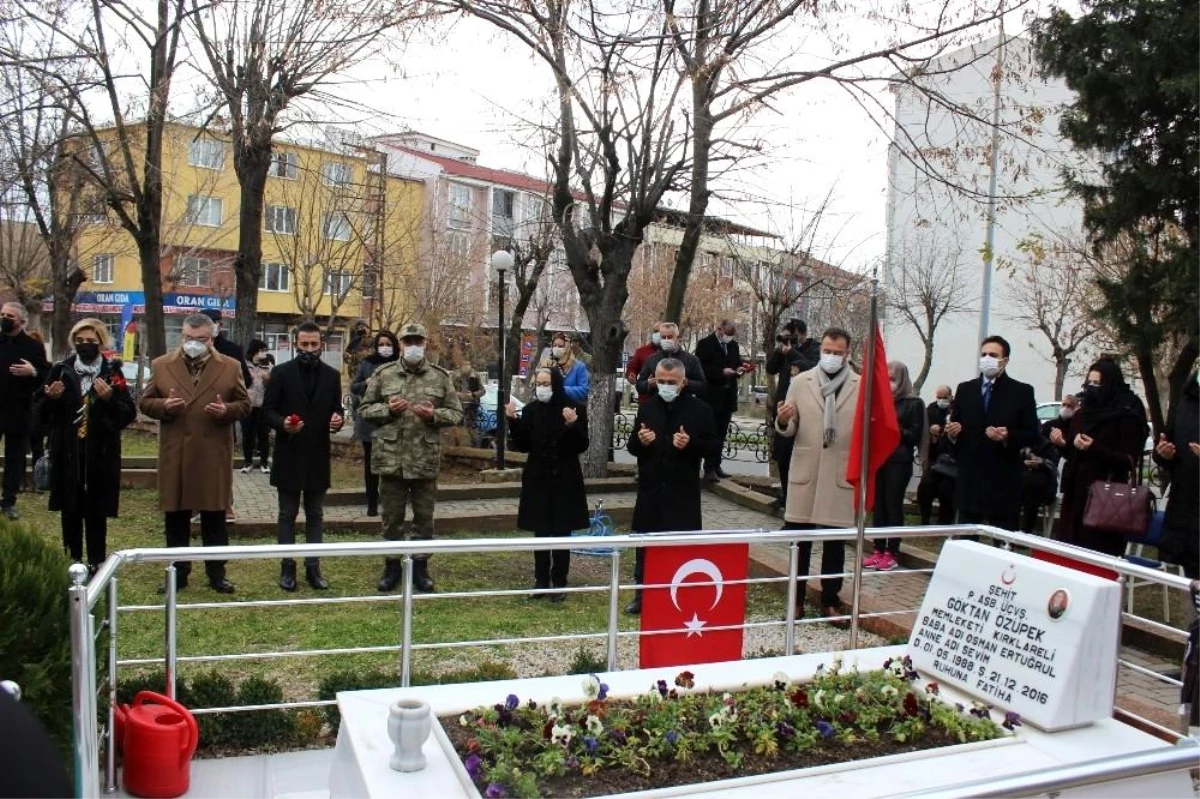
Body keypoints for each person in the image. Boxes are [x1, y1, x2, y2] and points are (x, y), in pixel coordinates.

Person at [139, 313, 251, 594]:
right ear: (182, 336)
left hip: (213, 452)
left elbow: (245, 404)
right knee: (176, 517)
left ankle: (217, 573)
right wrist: (164, 406)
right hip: (176, 452)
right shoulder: (162, 365)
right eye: (189, 338)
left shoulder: (230, 366)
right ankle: (178, 573)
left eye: (200, 339)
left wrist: (227, 411)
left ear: (211, 339)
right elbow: (145, 402)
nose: (194, 344)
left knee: (215, 517)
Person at [358, 323, 463, 593]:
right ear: (401, 345)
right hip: (391, 459)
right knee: (391, 518)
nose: (413, 345)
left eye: (418, 340)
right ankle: (392, 566)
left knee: (424, 519)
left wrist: (434, 416)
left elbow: (456, 413)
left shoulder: (440, 377)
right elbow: (365, 410)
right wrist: (388, 410)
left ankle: (420, 568)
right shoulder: (384, 374)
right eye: (408, 341)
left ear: (425, 343)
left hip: (424, 459)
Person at [35, 319, 136, 573]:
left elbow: (127, 414)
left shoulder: (112, 372)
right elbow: (38, 414)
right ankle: (72, 560)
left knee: (96, 510)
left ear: (100, 342)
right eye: (79, 341)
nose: (85, 346)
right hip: (67, 451)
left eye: (90, 341)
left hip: (100, 453)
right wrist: (51, 399)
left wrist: (109, 399)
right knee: (70, 508)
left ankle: (96, 561)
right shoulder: (61, 370)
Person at [775, 327, 860, 622]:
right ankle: (795, 600)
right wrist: (784, 420)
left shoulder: (861, 386)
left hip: (839, 473)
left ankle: (829, 600)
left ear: (847, 353)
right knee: (801, 543)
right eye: (827, 350)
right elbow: (790, 425)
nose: (831, 356)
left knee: (835, 544)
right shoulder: (801, 381)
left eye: (837, 352)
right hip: (806, 472)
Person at [624, 358, 719, 614]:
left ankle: (679, 593)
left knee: (680, 546)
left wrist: (690, 444)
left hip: (682, 492)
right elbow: (632, 446)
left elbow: (714, 447)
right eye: (661, 381)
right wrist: (641, 441)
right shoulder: (647, 408)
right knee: (645, 544)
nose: (665, 386)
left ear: (683, 382)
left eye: (671, 382)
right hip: (651, 487)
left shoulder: (700, 410)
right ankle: (642, 595)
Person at [262, 322, 345, 591]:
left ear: (321, 344)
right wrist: (283, 423)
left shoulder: (332, 376)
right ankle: (287, 567)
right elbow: (268, 411)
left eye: (314, 344)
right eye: (304, 344)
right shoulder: (281, 373)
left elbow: (337, 412)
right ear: (295, 343)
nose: (309, 349)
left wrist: (338, 420)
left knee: (316, 514)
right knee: (287, 514)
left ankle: (313, 567)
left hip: (317, 454)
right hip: (289, 453)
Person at [1048, 360, 1148, 556]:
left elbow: (1128, 460)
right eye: (1089, 382)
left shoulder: (1127, 412)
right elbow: (1073, 453)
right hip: (1075, 495)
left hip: (1105, 499)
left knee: (1096, 557)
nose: (1092, 388)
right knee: (1069, 555)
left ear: (1110, 384)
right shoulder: (1083, 413)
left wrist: (1095, 448)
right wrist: (1063, 444)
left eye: (1097, 383)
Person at [507, 367, 589, 601]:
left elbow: (582, 444)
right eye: (538, 384)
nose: (541, 388)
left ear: (556, 384)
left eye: (546, 383)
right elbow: (524, 445)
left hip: (565, 478)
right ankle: (541, 580)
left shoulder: (574, 409)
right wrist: (512, 421)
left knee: (562, 532)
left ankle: (559, 582)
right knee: (541, 531)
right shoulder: (532, 410)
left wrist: (572, 426)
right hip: (538, 478)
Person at [945, 335, 1039, 533]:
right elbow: (956, 424)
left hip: (1003, 478)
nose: (987, 358)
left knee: (1002, 541)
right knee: (967, 539)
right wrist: (953, 433)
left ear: (1004, 360)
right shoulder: (966, 389)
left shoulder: (1021, 392)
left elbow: (1032, 434)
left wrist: (1008, 436)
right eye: (984, 354)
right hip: (971, 477)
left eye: (993, 355)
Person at [864, 362, 926, 571]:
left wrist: (892, 426)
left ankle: (892, 552)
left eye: (893, 378)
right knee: (878, 507)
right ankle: (878, 549)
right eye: (886, 378)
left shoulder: (913, 403)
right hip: (880, 460)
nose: (889, 382)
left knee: (892, 506)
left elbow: (914, 436)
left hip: (899, 462)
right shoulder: (880, 401)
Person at [0, 302, 49, 520]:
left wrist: (33, 372)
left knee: (15, 458)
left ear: (21, 320)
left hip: (18, 410)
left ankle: (8, 501)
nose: (4, 318)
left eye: (9, 315)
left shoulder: (32, 346)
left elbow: (45, 376)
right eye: (2, 314)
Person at [765, 319, 819, 510]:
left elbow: (814, 368)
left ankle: (800, 502)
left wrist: (793, 353)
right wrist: (780, 350)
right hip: (783, 409)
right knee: (782, 454)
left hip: (805, 413)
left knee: (802, 460)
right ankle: (786, 496)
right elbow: (770, 368)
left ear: (802, 335)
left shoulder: (814, 348)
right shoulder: (784, 350)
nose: (789, 342)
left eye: (792, 337)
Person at [1154, 367, 1200, 578]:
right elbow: (1168, 442)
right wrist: (1164, 453)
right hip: (1182, 511)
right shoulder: (1185, 402)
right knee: (1185, 584)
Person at [351, 330, 400, 517]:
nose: (385, 348)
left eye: (388, 344)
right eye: (381, 344)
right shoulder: (367, 364)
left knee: (392, 467)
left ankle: (391, 504)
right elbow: (354, 388)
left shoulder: (399, 365)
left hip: (393, 422)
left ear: (394, 346)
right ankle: (371, 504)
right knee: (371, 466)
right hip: (369, 423)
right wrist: (366, 382)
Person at [694, 319, 743, 482]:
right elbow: (701, 368)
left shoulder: (734, 346)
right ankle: (707, 468)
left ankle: (716, 464)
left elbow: (736, 363)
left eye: (731, 335)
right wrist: (721, 372)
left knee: (721, 433)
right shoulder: (705, 344)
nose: (729, 338)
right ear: (719, 329)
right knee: (709, 433)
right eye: (727, 334)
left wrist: (740, 369)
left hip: (727, 397)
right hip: (710, 396)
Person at [916, 385, 956, 526]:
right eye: (938, 398)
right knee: (925, 487)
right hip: (935, 457)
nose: (941, 401)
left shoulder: (957, 409)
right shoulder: (931, 409)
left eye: (944, 398)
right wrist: (931, 431)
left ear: (951, 396)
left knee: (946, 489)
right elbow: (923, 430)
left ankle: (944, 521)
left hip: (952, 459)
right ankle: (924, 518)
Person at [635, 322, 707, 399]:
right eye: (663, 337)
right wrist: (648, 384)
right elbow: (639, 386)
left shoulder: (692, 360)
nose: (666, 340)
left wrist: (687, 383)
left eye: (669, 337)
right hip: (657, 405)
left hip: (684, 405)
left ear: (678, 337)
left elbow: (703, 386)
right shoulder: (651, 359)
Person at [240, 339, 274, 474]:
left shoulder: (269, 366)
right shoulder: (244, 365)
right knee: (248, 434)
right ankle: (247, 462)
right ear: (254, 351)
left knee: (263, 435)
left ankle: (264, 463)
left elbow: (274, 386)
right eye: (261, 350)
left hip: (263, 406)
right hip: (247, 405)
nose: (263, 353)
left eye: (265, 350)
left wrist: (268, 380)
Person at [1018, 432, 1061, 536]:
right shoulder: (1020, 444)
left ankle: (1026, 530)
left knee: (1033, 488)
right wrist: (1023, 464)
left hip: (1043, 488)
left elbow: (1053, 468)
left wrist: (1040, 464)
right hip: (1024, 486)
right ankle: (1019, 529)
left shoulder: (1047, 446)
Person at [200, 308, 251, 389]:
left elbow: (246, 380)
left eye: (212, 323)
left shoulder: (232, 349)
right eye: (204, 323)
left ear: (220, 325)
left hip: (222, 397)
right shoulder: (192, 348)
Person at [542, 332, 590, 405]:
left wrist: (561, 389)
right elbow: (535, 387)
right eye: (554, 345)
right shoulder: (546, 364)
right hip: (548, 409)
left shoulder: (579, 366)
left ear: (567, 347)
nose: (557, 348)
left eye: (560, 346)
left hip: (570, 410)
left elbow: (584, 391)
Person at [626, 323, 661, 405]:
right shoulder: (641, 351)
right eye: (656, 331)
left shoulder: (671, 353)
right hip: (646, 399)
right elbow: (632, 368)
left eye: (661, 331)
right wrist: (631, 375)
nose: (658, 334)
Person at [455, 359, 486, 447]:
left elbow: (483, 390)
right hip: (458, 406)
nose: (466, 367)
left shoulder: (476, 376)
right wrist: (457, 394)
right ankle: (457, 446)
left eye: (467, 365)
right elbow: (449, 389)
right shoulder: (455, 375)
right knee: (458, 427)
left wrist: (473, 394)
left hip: (472, 406)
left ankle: (474, 446)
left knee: (472, 428)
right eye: (464, 365)